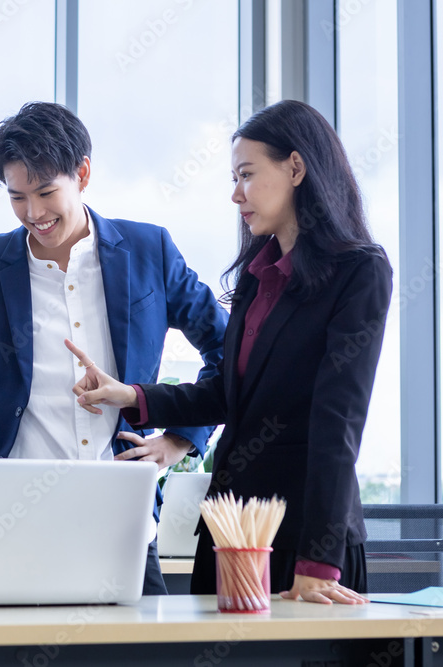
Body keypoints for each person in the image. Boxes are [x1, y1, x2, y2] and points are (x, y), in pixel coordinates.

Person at [66, 99, 391, 605]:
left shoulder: (360, 271)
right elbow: (228, 395)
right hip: (231, 530)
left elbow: (338, 420)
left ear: (296, 167)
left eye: (246, 175)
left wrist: (318, 562)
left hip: (305, 540)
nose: (235, 194)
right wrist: (128, 394)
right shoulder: (256, 275)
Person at [0, 101, 229, 595]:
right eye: (16, 197)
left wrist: (180, 441)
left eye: (45, 192)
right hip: (10, 521)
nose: (33, 213)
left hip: (126, 518)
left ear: (82, 173)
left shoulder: (149, 251)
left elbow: (229, 352)